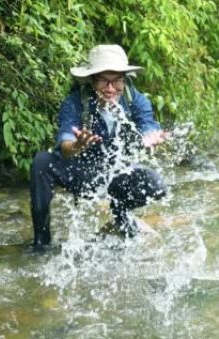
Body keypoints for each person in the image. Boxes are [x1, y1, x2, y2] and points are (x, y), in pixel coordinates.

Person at [30, 44, 170, 249]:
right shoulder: (76, 102)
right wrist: (77, 145)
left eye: (116, 81)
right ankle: (41, 243)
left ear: (125, 79)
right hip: (84, 173)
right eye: (104, 80)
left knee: (156, 185)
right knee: (41, 162)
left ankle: (120, 215)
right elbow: (66, 143)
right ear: (92, 80)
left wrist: (150, 138)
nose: (110, 88)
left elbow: (148, 124)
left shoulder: (135, 99)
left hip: (116, 174)